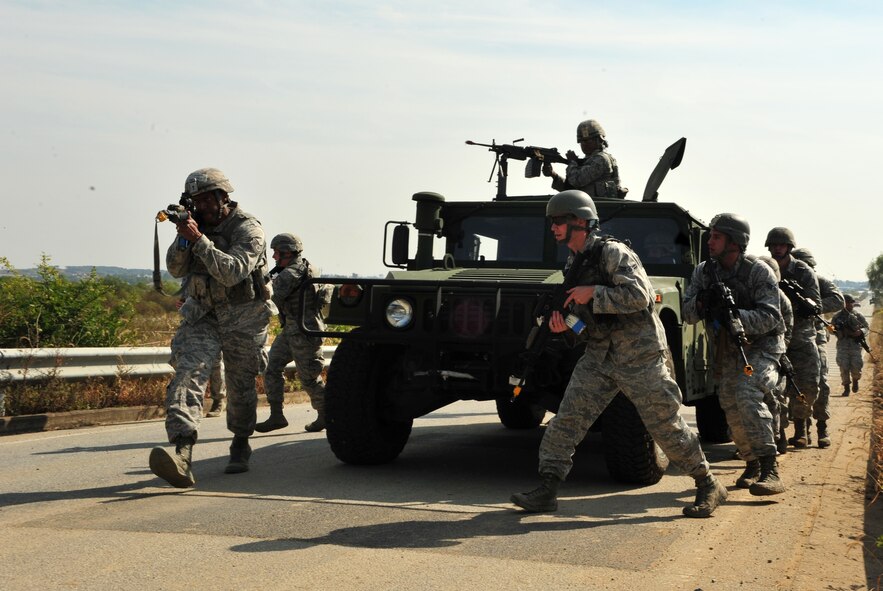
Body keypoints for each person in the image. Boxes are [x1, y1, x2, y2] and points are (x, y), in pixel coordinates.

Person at [510, 190, 725, 518]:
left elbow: (641, 296)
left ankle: (708, 483)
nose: (552, 227)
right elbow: (586, 321)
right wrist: (565, 327)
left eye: (558, 221)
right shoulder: (575, 261)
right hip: (600, 356)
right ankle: (548, 488)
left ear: (579, 221)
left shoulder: (613, 252)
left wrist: (593, 292)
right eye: (551, 221)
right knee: (568, 419)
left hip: (639, 356)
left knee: (664, 424)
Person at [149, 167, 272, 488]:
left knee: (241, 385)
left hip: (245, 317)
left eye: (205, 200)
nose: (199, 206)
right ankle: (182, 451)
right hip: (202, 314)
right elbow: (175, 270)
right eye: (194, 201)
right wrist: (184, 237)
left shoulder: (248, 228)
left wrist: (200, 240)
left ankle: (241, 440)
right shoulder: (193, 226)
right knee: (186, 375)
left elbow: (233, 272)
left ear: (223, 197)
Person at [683, 214, 786, 495]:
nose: (710, 241)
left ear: (734, 242)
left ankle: (770, 468)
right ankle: (751, 462)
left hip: (763, 346)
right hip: (728, 349)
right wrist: (704, 302)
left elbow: (770, 316)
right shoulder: (704, 272)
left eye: (716, 236)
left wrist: (733, 315)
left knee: (747, 393)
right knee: (729, 403)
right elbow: (686, 312)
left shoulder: (758, 271)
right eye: (711, 235)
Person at [256, 233, 329, 434]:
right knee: (271, 367)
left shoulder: (294, 272)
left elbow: (272, 294)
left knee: (309, 378)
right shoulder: (293, 268)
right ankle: (276, 415)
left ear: (287, 252)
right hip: (292, 329)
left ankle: (327, 414)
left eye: (276, 253)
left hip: (304, 331)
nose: (274, 257)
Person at [765, 227, 820, 449]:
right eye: (775, 245)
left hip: (801, 336)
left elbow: (816, 305)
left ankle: (800, 428)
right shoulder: (763, 268)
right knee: (772, 388)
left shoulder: (803, 271)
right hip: (773, 335)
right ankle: (778, 434)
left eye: (782, 245)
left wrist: (795, 300)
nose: (778, 249)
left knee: (807, 385)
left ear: (789, 247)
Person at [791, 247, 844, 448]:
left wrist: (811, 305)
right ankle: (800, 429)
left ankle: (822, 426)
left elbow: (838, 299)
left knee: (820, 382)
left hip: (817, 337)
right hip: (793, 337)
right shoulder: (786, 279)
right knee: (795, 384)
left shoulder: (819, 281)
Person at [757, 255, 793, 455]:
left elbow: (787, 332)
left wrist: (779, 355)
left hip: (775, 353)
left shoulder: (782, 301)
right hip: (752, 353)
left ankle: (777, 437)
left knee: (774, 397)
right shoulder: (754, 294)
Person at [542, 120, 628, 199]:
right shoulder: (589, 161)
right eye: (582, 142)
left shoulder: (601, 159)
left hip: (601, 210)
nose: (584, 144)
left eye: (588, 141)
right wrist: (553, 175)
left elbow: (577, 181)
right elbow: (571, 190)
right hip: (589, 207)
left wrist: (572, 162)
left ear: (599, 140)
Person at [174, 292, 226, 418]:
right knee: (183, 359)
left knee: (215, 362)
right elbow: (187, 294)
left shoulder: (218, 272)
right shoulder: (191, 275)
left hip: (216, 320)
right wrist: (183, 303)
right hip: (194, 322)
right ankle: (190, 402)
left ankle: (218, 400)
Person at [832, 294, 870, 396]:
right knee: (844, 367)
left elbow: (866, 327)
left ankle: (855, 381)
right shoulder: (837, 316)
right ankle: (846, 388)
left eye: (851, 303)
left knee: (856, 367)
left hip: (855, 346)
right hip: (842, 345)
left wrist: (860, 332)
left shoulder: (858, 316)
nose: (850, 305)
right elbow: (831, 330)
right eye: (848, 303)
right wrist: (836, 329)